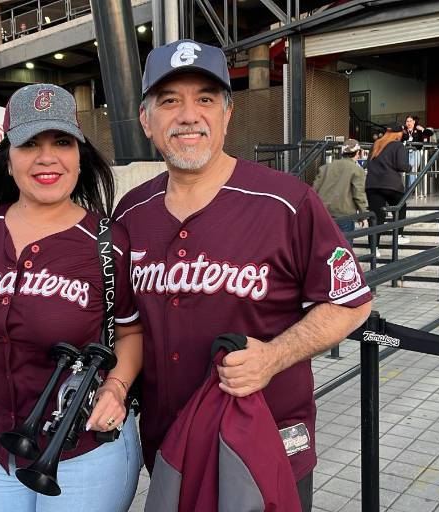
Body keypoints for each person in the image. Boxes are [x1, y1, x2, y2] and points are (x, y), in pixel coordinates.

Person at [113, 39, 373, 512]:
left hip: (265, 443)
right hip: (169, 444)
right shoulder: (132, 213)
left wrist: (274, 356)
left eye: (206, 99)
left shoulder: (287, 201)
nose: (189, 115)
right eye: (170, 100)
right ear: (146, 119)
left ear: (227, 115)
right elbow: (127, 323)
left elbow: (351, 301)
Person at [0, 84, 143, 512]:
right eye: (29, 143)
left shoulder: (108, 240)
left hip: (83, 445)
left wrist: (116, 388)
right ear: (8, 155)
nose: (47, 157)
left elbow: (130, 332)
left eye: (61, 141)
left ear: (79, 154)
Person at [312, 139, 369, 242]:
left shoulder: (325, 168)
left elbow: (314, 190)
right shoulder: (357, 170)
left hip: (323, 213)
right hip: (344, 214)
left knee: (325, 247)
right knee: (344, 250)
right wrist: (363, 216)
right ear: (357, 153)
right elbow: (358, 195)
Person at [365, 126, 411, 246]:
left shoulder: (376, 144)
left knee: (376, 216)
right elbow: (401, 165)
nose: (401, 135)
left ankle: (374, 247)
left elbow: (368, 163)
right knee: (400, 207)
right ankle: (398, 235)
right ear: (397, 133)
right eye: (401, 133)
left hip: (372, 185)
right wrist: (409, 167)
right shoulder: (398, 145)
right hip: (390, 184)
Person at [401, 115, 434, 190]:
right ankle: (409, 188)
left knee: (413, 168)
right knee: (407, 169)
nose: (409, 123)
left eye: (410, 121)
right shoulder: (404, 131)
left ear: (414, 122)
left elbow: (430, 133)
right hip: (406, 153)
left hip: (416, 152)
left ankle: (411, 188)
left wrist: (422, 129)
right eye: (407, 121)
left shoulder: (418, 130)